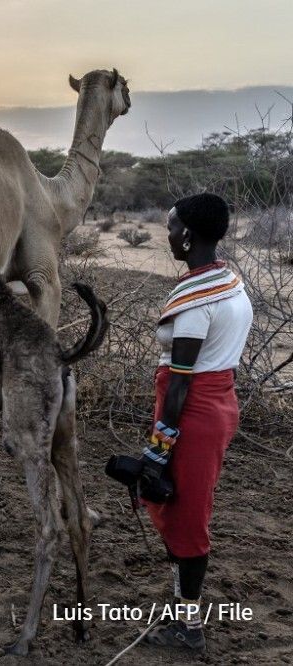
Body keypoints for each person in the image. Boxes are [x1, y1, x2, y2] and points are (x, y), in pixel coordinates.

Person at [140, 193, 253, 651]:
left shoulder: (196, 303)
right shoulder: (227, 280)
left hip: (193, 411)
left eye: (170, 226)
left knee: (186, 516)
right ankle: (182, 602)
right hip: (218, 401)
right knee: (184, 503)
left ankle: (188, 627)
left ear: (187, 235)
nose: (166, 234)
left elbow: (182, 385)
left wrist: (157, 451)